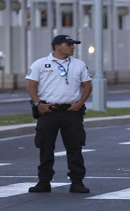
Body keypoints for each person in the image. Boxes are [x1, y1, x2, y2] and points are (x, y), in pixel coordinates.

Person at [26, 35, 93, 194]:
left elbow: (87, 86)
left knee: (75, 147)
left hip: (71, 112)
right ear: (57, 46)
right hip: (48, 112)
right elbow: (31, 86)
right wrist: (38, 104)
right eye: (69, 44)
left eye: (73, 44)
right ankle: (44, 181)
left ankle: (77, 182)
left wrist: (80, 103)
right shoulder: (40, 64)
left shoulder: (79, 65)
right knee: (45, 147)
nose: (73, 47)